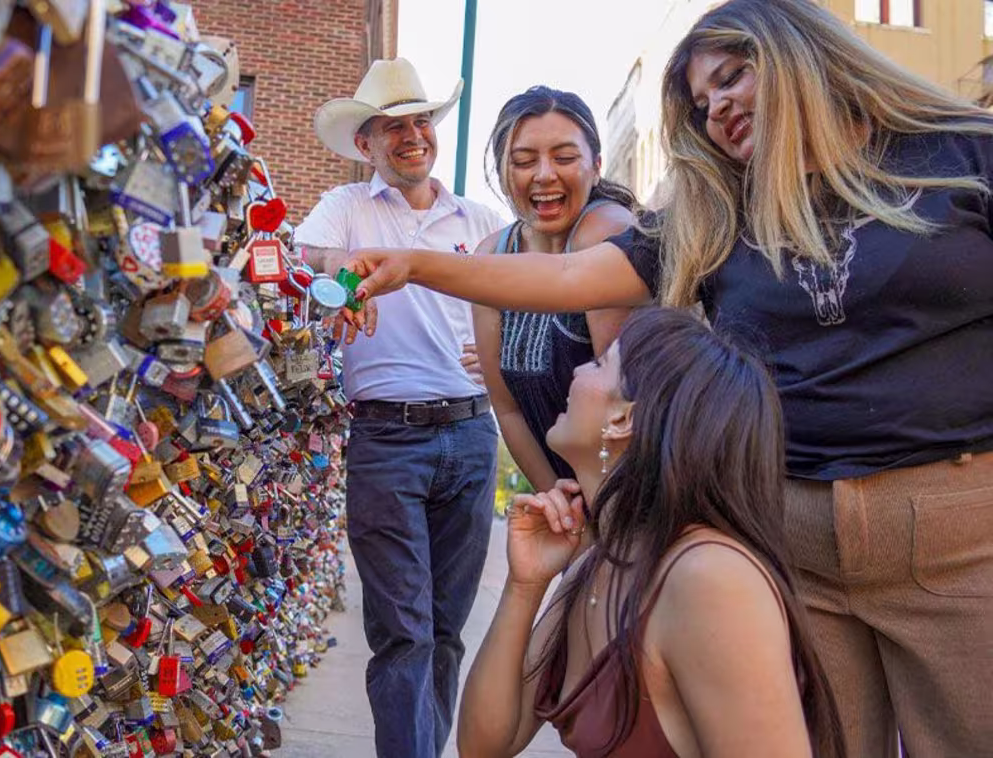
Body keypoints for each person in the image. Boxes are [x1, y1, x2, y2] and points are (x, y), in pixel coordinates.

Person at [341, 2, 993, 755]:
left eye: (731, 77)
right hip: (792, 541)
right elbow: (570, 279)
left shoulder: (963, 155)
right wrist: (416, 265)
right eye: (701, 101)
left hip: (961, 538)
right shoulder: (713, 211)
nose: (717, 108)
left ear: (801, 53)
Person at [458, 307, 843, 758]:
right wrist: (525, 585)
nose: (579, 367)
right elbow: (484, 745)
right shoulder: (598, 560)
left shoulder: (710, 577)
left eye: (600, 363)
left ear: (625, 419)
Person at [292, 58, 505, 758]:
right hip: (388, 441)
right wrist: (343, 275)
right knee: (403, 632)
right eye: (394, 128)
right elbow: (304, 257)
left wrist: (501, 348)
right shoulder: (346, 208)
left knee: (445, 631)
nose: (413, 136)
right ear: (367, 145)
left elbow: (535, 289)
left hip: (473, 434)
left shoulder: (479, 218)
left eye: (421, 122)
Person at [475, 87, 636, 491]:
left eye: (564, 158)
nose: (544, 174)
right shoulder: (492, 253)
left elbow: (621, 405)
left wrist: (601, 515)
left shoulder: (606, 232)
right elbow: (508, 408)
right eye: (524, 161)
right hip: (564, 492)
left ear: (597, 166)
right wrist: (559, 505)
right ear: (503, 173)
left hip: (627, 483)